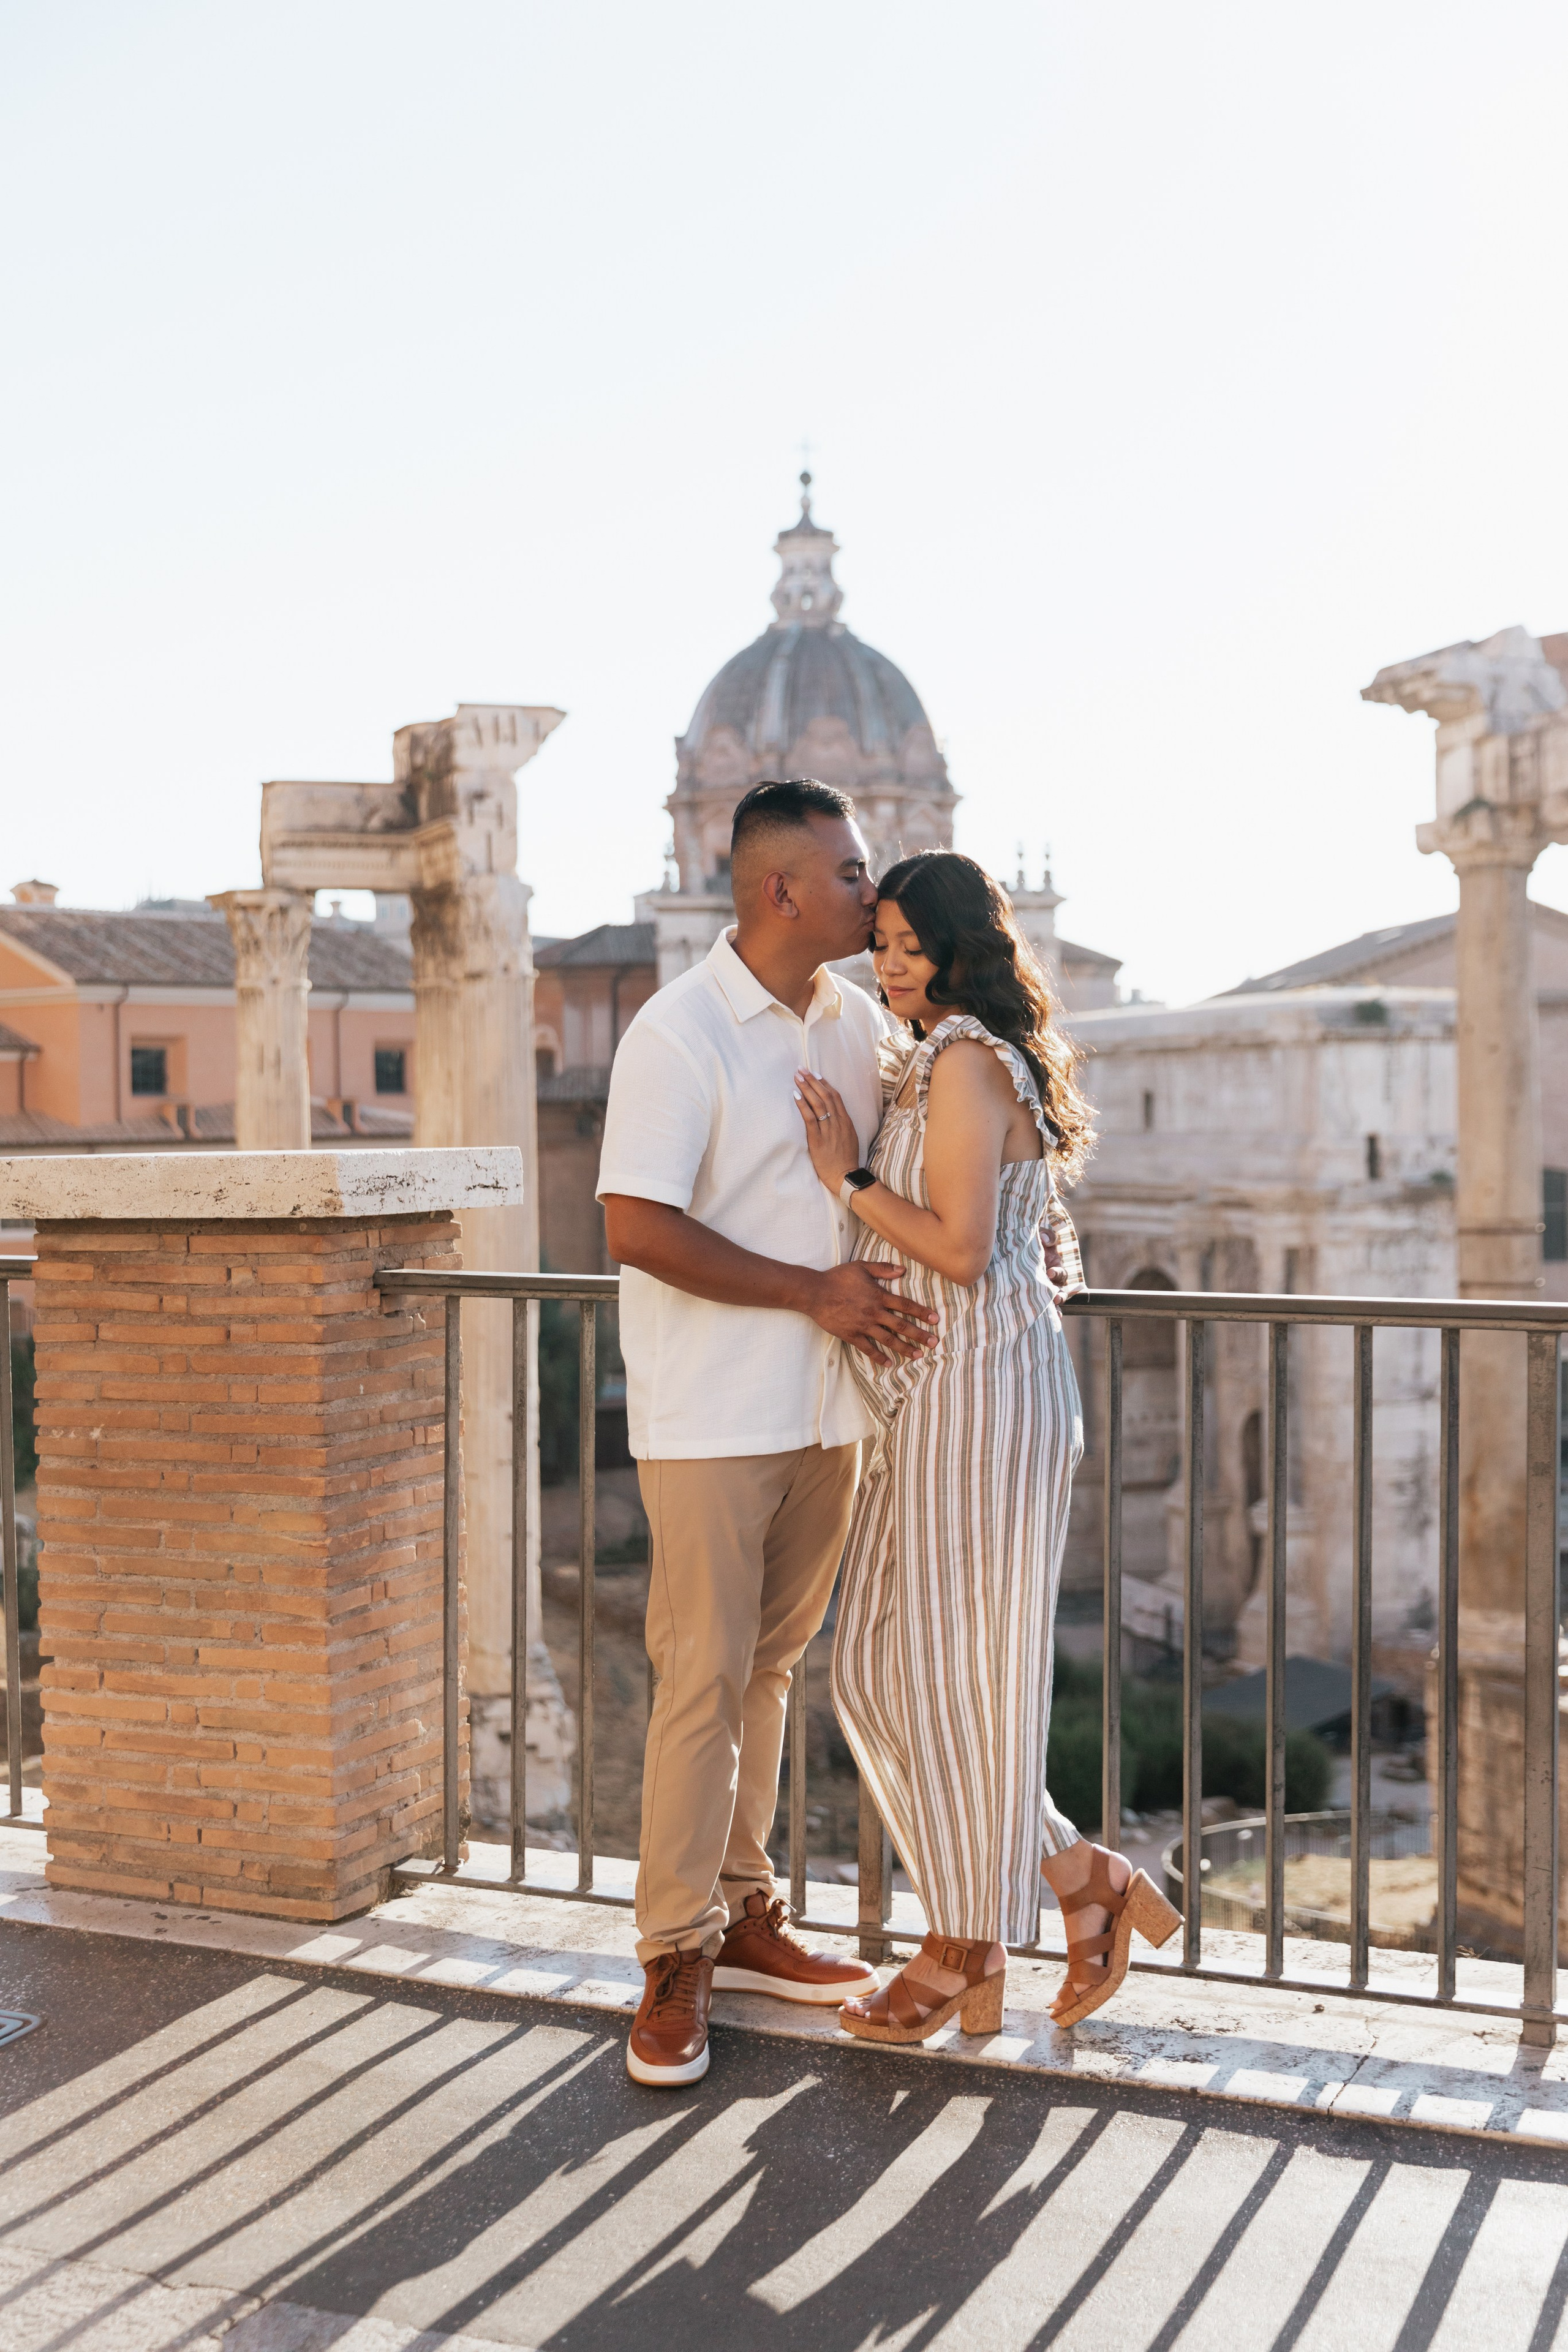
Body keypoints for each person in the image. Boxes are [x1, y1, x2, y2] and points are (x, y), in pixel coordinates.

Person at [793, 850, 1179, 2040]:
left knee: (959, 1680)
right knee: (868, 1670)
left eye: (912, 945)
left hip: (981, 1397)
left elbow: (960, 1251)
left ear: (964, 950)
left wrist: (845, 1176)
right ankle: (1077, 1877)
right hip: (939, 1392)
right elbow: (1013, 1228)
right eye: (884, 945)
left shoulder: (961, 1060)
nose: (890, 964)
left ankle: (965, 1944)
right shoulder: (936, 1059)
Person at [598, 778, 939, 2087]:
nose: (873, 887)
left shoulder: (856, 1023)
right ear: (780, 888)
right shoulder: (674, 1034)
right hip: (710, 1417)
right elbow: (635, 1228)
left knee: (769, 1672)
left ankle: (744, 1916)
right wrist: (815, 1293)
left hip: (827, 1409)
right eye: (852, 872)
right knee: (700, 1679)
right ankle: (669, 1958)